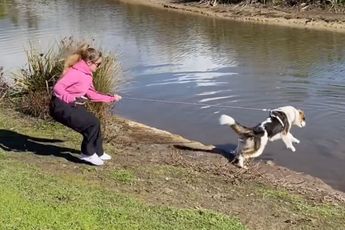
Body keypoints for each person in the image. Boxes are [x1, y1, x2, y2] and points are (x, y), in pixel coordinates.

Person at [49, 45, 121, 166]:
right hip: (60, 106)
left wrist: (111, 98)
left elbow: (92, 94)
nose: (99, 67)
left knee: (95, 122)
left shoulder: (87, 75)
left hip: (69, 105)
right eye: (98, 64)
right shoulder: (76, 73)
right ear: (89, 62)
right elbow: (57, 88)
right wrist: (72, 98)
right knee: (91, 124)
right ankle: (87, 154)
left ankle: (98, 152)